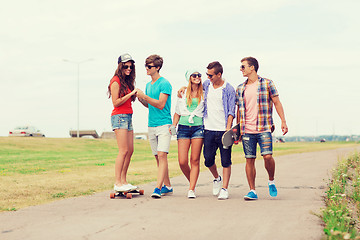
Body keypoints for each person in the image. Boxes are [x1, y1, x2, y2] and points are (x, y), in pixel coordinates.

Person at [178, 61, 236, 200]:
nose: (207, 77)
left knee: (226, 161)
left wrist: (228, 128)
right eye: (207, 75)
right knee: (208, 160)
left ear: (219, 74)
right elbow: (192, 88)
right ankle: (217, 177)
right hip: (208, 129)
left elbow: (231, 111)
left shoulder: (228, 89)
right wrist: (182, 87)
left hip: (223, 130)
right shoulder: (206, 86)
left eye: (210, 75)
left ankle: (225, 189)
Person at [235, 56, 288, 200]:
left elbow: (277, 102)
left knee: (268, 156)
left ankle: (271, 180)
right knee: (249, 159)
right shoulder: (240, 88)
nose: (241, 69)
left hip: (264, 127)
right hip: (247, 130)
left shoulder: (267, 84)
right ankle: (252, 190)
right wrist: (238, 130)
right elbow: (239, 110)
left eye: (243, 66)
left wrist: (283, 121)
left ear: (252, 67)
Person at [136, 54, 173, 198]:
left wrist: (145, 96)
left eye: (149, 66)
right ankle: (167, 186)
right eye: (145, 66)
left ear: (157, 68)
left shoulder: (165, 83)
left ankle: (158, 188)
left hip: (164, 124)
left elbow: (160, 104)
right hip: (151, 125)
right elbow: (150, 105)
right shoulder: (148, 85)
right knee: (158, 157)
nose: (146, 68)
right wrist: (140, 99)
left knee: (162, 155)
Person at [171, 69, 204, 199]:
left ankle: (191, 188)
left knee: (195, 160)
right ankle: (192, 180)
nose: (197, 77)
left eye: (199, 75)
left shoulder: (204, 92)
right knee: (182, 161)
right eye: (194, 75)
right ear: (189, 78)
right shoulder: (183, 93)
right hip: (183, 128)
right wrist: (173, 125)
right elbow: (177, 112)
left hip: (198, 128)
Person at [108, 53, 138, 192]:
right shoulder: (115, 80)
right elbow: (116, 102)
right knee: (123, 150)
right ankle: (117, 182)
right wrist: (130, 94)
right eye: (126, 66)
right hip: (119, 117)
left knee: (130, 150)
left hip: (128, 116)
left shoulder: (126, 81)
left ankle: (124, 181)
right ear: (120, 66)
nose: (129, 69)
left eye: (131, 66)